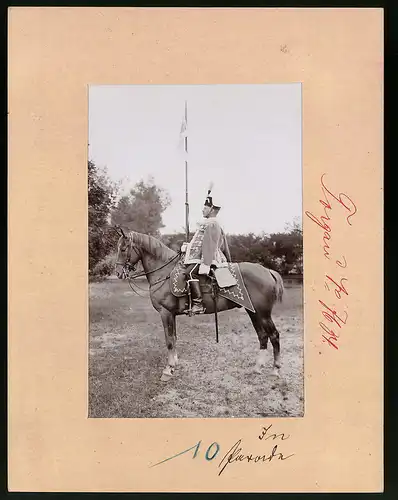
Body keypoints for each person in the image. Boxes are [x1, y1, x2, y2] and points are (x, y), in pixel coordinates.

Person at [181, 185, 231, 314]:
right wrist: (187, 247)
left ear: (212, 209)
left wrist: (206, 263)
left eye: (205, 208)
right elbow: (199, 243)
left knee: (190, 273)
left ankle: (198, 304)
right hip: (199, 258)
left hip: (209, 258)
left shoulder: (212, 224)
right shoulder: (207, 223)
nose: (202, 210)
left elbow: (210, 244)